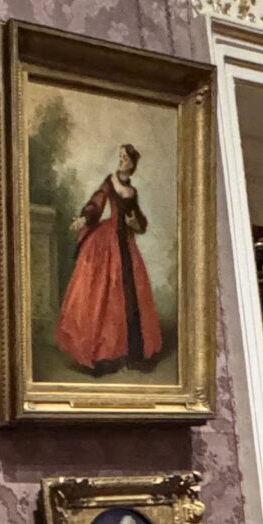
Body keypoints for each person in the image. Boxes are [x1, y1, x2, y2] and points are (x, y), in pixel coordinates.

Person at [53, 141, 164, 374]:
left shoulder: (132, 192)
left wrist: (134, 223)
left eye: (125, 158)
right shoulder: (110, 181)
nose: (121, 161)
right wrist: (84, 219)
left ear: (132, 164)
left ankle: (131, 353)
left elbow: (140, 222)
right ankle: (103, 354)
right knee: (104, 295)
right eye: (120, 157)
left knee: (130, 295)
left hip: (126, 244)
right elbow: (97, 203)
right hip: (108, 242)